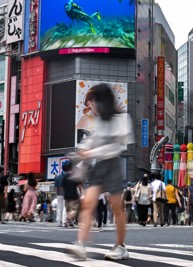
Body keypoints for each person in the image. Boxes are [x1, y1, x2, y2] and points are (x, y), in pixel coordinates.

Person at [65, 83, 134, 261]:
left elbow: (117, 146)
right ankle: (80, 245)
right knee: (88, 203)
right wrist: (80, 150)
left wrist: (90, 152)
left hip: (113, 165)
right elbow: (93, 140)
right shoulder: (100, 121)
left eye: (95, 102)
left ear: (103, 102)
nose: (93, 106)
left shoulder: (122, 119)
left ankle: (121, 246)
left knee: (117, 207)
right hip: (99, 166)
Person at [62, 161, 82, 228]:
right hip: (73, 196)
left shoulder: (64, 177)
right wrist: (82, 194)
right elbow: (79, 186)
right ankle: (68, 218)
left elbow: (62, 187)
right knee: (75, 210)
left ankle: (70, 223)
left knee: (68, 210)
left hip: (66, 196)